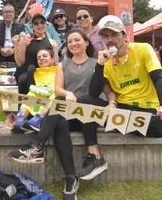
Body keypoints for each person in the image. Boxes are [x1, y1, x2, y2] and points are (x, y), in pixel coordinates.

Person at [8, 28, 101, 200]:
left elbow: (104, 89)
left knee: (59, 104)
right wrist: (67, 94)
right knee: (59, 123)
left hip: (88, 114)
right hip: (69, 110)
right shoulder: (62, 65)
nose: (73, 44)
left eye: (76, 40)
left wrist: (111, 103)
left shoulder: (96, 62)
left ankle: (36, 146)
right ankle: (70, 179)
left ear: (86, 42)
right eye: (70, 41)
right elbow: (58, 88)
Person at [74, 15, 162, 181]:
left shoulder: (143, 49)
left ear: (124, 36)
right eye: (106, 36)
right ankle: (95, 157)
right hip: (122, 112)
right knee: (85, 102)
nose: (110, 40)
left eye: (114, 35)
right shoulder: (106, 62)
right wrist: (100, 65)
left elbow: (158, 78)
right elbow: (94, 93)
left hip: (147, 112)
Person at [11, 48, 57, 133]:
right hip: (38, 94)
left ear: (53, 58)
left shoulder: (59, 70)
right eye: (38, 58)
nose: (41, 58)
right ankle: (21, 118)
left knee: (55, 96)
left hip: (52, 93)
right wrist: (30, 74)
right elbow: (30, 87)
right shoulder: (34, 71)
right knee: (30, 94)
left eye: (45, 56)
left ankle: (39, 118)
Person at [13, 13, 58, 94]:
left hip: (46, 75)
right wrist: (16, 45)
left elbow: (55, 63)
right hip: (29, 75)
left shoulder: (52, 43)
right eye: (36, 23)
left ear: (46, 24)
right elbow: (19, 63)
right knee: (23, 79)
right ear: (32, 26)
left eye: (42, 22)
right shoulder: (26, 41)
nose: (40, 25)